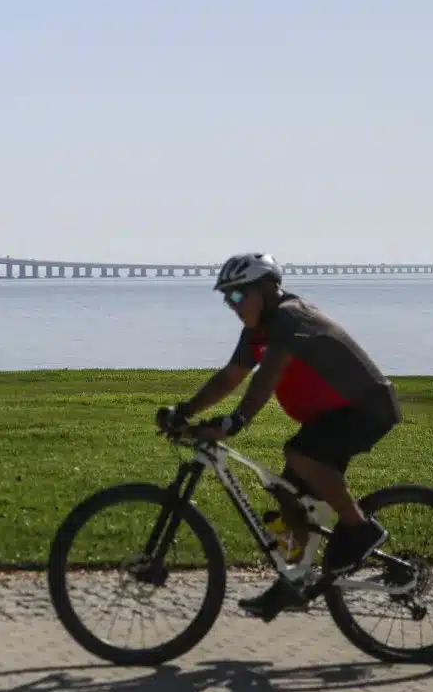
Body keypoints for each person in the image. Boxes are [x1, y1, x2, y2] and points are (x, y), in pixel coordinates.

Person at [156, 252, 403, 620]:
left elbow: (265, 376)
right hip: (329, 417)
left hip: (366, 407)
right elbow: (230, 376)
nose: (232, 305)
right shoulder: (257, 330)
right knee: (287, 499)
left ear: (267, 289)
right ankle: (294, 581)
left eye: (238, 296)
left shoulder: (290, 317)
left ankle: (360, 529)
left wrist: (237, 420)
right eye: (227, 298)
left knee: (301, 455)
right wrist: (185, 411)